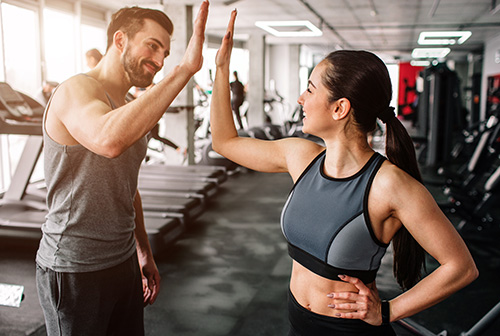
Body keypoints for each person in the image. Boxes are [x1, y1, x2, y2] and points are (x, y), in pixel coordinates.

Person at [211, 11, 478, 336]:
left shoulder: (388, 184)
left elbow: (460, 266)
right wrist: (221, 69)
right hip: (298, 322)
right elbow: (225, 142)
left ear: (340, 108)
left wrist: (388, 311)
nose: (300, 99)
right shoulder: (301, 156)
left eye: (310, 89)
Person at [35, 2, 209, 335]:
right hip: (74, 267)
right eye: (153, 46)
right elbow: (108, 140)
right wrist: (184, 70)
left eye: (166, 54)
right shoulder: (76, 89)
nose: (159, 61)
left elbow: (127, 186)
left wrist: (143, 251)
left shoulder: (131, 106)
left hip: (123, 261)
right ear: (120, 40)